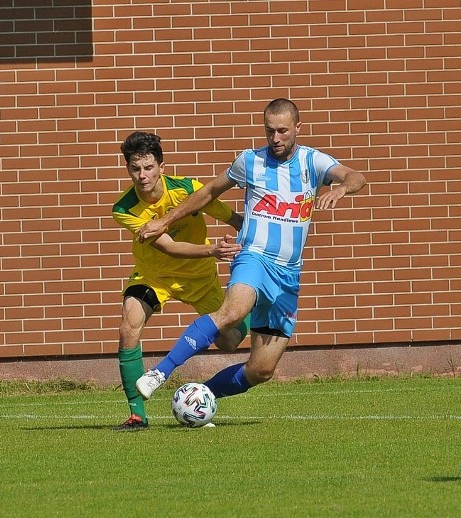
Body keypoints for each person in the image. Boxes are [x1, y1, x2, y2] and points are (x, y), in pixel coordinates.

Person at [133, 98, 366, 404]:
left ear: (298, 128)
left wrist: (339, 188)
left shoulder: (313, 161)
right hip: (253, 256)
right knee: (232, 312)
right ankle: (160, 372)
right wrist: (165, 221)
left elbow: (356, 177)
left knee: (261, 370)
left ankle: (199, 396)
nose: (275, 138)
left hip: (288, 274)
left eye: (282, 131)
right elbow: (207, 192)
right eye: (269, 131)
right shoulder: (250, 161)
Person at [112, 131, 250, 431]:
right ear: (128, 169)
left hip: (199, 279)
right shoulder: (123, 209)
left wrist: (249, 234)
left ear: (161, 166)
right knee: (128, 326)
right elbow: (167, 246)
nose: (142, 175)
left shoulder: (189, 189)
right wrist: (213, 250)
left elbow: (230, 216)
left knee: (231, 341)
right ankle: (137, 415)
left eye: (148, 167)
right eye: (135, 168)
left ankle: (247, 307)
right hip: (154, 276)